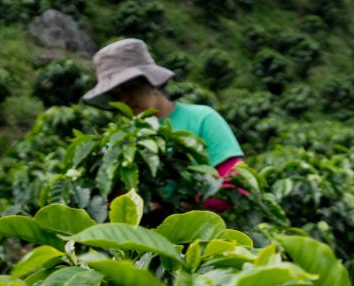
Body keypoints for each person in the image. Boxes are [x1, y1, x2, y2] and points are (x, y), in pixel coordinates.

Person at [82, 38, 244, 211]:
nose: (124, 100)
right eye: (115, 95)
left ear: (152, 82)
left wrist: (184, 206)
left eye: (130, 88)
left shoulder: (202, 118)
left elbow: (237, 182)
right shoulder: (123, 138)